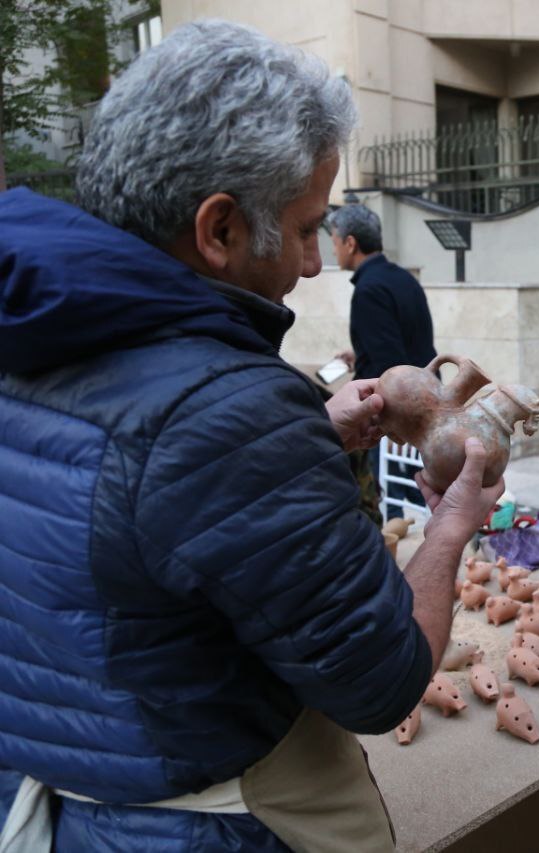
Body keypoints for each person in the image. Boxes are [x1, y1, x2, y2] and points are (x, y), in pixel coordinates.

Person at [0, 20, 500, 851]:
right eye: (306, 228)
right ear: (219, 230)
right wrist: (453, 520)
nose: (312, 262)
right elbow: (382, 683)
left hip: (68, 803)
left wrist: (298, 432)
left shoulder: (29, 336)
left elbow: (124, 514)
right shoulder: (225, 410)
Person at [329, 202, 436, 517]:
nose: (333, 251)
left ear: (351, 243)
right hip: (426, 398)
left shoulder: (369, 290)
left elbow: (387, 366)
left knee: (400, 503)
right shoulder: (401, 278)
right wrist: (358, 353)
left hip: (397, 416)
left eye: (334, 242)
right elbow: (408, 337)